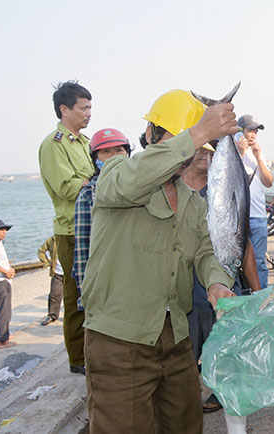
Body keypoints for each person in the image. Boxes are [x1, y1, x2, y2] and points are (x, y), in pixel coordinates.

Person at [80, 89, 239, 434]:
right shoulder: (116, 172)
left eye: (196, 147)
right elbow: (129, 182)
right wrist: (197, 132)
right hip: (119, 340)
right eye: (179, 139)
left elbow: (206, 251)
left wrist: (216, 282)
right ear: (151, 134)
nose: (188, 153)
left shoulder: (193, 201)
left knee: (185, 425)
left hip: (176, 337)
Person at [181, 144, 261, 413]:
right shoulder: (172, 190)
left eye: (211, 150)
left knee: (226, 349)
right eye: (200, 149)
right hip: (187, 294)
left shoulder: (226, 186)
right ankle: (188, 396)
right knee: (185, 355)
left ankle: (220, 391)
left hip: (225, 289)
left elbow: (244, 242)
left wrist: (258, 291)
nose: (206, 155)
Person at [38, 80, 93, 374]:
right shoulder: (54, 145)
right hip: (71, 230)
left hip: (93, 225)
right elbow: (65, 186)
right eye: (83, 108)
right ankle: (78, 358)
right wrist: (93, 182)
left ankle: (92, 350)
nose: (88, 113)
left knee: (95, 291)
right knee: (74, 296)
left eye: (89, 108)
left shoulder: (84, 143)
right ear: (64, 109)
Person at [73, 128, 131, 312]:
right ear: (95, 159)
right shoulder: (88, 195)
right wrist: (86, 297)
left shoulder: (142, 187)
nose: (113, 156)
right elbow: (83, 249)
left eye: (119, 150)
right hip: (106, 281)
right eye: (106, 152)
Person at [235, 114, 274, 289]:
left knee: (259, 262)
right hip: (238, 217)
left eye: (255, 131)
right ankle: (243, 297)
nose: (253, 135)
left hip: (258, 215)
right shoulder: (232, 152)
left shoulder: (257, 154)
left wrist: (258, 157)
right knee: (236, 263)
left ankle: (261, 298)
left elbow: (269, 182)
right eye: (250, 130)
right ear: (239, 131)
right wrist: (240, 153)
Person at [0, 220, 16, 349]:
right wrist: (6, 272)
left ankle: (4, 334)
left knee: (4, 309)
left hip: (1, 279)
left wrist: (9, 268)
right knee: (4, 309)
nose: (4, 232)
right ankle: (2, 340)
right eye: (1, 230)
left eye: (5, 230)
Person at [37, 236, 63, 325]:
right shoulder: (52, 240)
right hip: (57, 273)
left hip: (71, 273)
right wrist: (47, 263)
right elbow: (41, 251)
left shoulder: (72, 237)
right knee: (54, 295)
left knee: (72, 296)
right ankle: (52, 316)